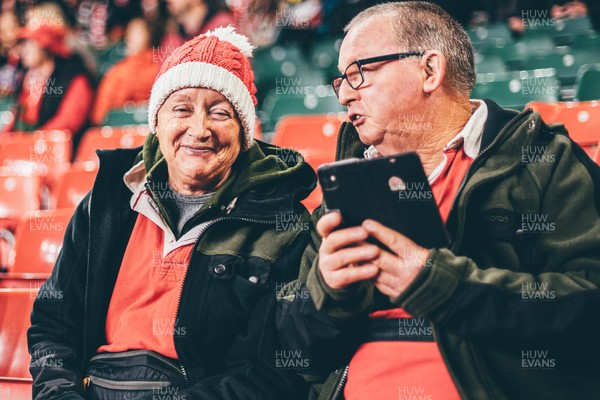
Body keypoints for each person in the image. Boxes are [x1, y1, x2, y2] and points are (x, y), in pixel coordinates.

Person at [277, 2, 600, 399]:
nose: (344, 94)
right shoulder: (345, 189)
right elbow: (298, 355)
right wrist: (327, 291)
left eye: (359, 73)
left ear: (429, 70)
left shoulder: (545, 161)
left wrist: (444, 287)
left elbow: (588, 311)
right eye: (340, 79)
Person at [28, 26, 315, 399]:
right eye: (182, 109)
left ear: (245, 133)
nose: (199, 130)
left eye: (220, 113)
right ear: (157, 123)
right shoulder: (106, 204)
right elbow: (52, 325)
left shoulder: (280, 224)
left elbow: (267, 372)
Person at [2, 22, 94, 153]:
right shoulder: (27, 80)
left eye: (29, 44)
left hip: (57, 155)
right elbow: (16, 122)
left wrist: (25, 145)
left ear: (46, 47)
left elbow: (66, 125)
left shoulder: (76, 79)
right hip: (27, 154)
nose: (23, 50)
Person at [90, 17, 163, 125]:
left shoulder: (160, 65)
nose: (131, 37)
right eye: (129, 33)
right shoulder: (117, 70)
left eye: (137, 32)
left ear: (149, 35)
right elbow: (100, 113)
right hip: (117, 127)